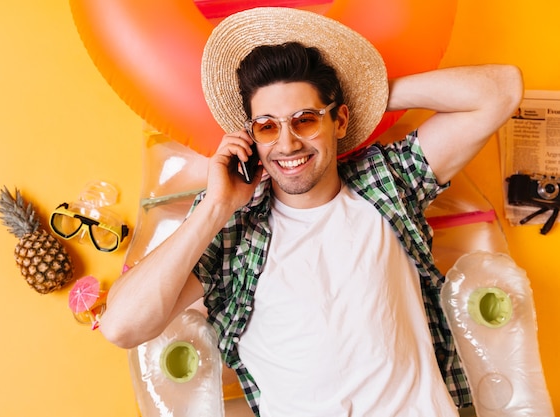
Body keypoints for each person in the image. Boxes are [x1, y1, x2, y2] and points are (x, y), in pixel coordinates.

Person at [101, 7, 523, 417]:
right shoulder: (232, 226)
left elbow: (502, 89)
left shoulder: (385, 180)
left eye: (304, 120)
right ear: (252, 138)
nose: (286, 144)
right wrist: (216, 207)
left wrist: (369, 92)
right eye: (267, 126)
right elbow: (122, 327)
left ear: (339, 121)